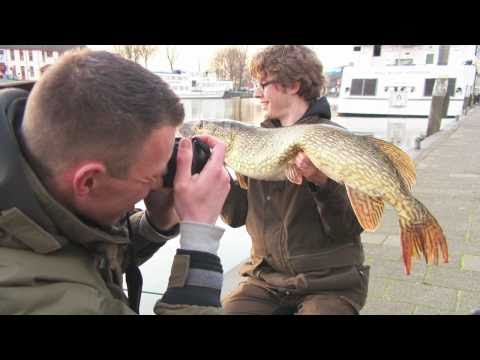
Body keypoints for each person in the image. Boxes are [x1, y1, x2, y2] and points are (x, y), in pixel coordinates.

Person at [0, 49, 231, 315]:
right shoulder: (42, 299)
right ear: (87, 182)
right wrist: (199, 242)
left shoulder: (30, 174)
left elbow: (78, 255)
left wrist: (154, 223)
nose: (159, 184)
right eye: (151, 176)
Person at [221, 45, 369, 315]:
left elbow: (348, 228)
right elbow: (236, 216)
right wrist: (215, 173)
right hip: (267, 279)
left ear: (292, 85)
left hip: (331, 282)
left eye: (263, 85)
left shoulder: (338, 141)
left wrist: (323, 184)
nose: (257, 94)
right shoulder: (254, 142)